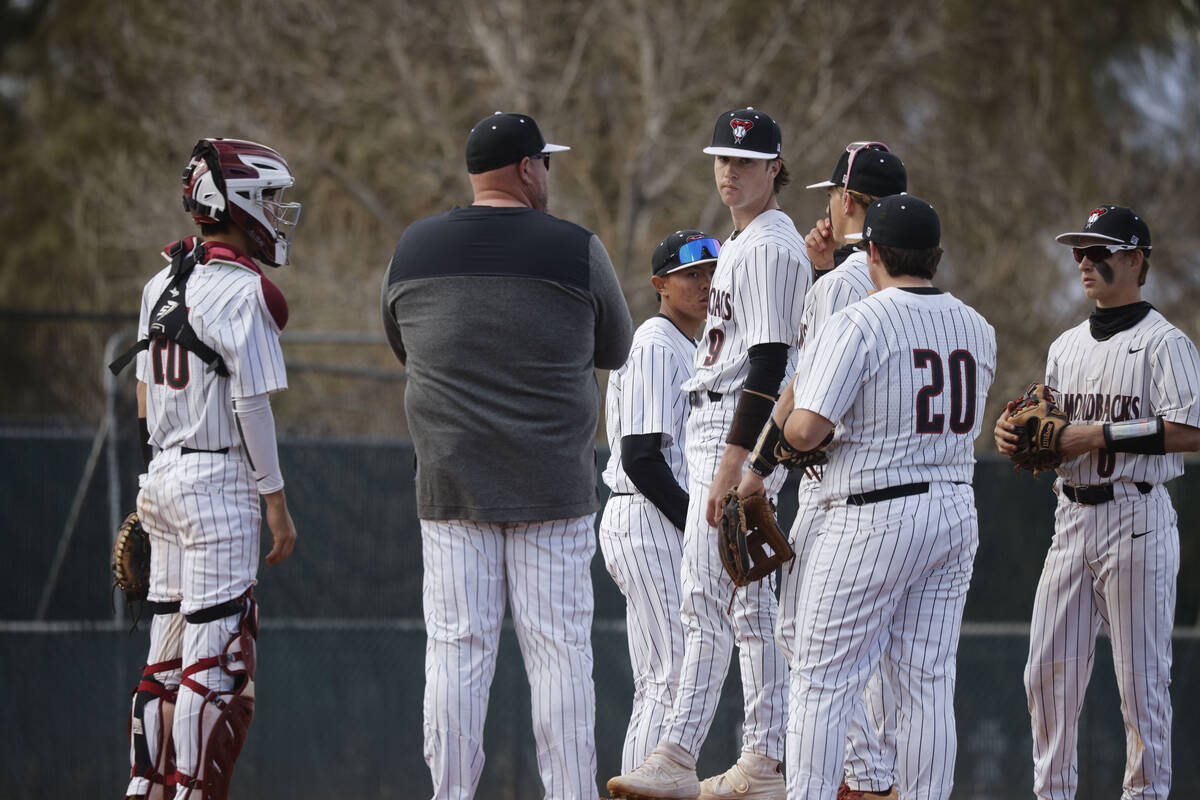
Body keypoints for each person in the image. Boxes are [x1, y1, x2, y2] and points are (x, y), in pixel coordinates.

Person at [380, 111, 633, 800]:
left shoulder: (414, 249)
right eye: (544, 162)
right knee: (559, 657)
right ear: (527, 169)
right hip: (552, 487)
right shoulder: (576, 248)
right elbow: (617, 349)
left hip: (452, 487)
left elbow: (402, 340)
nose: (547, 174)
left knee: (458, 654)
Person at [609, 107, 809, 800]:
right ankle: (756, 757)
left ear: (775, 167)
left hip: (729, 428)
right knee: (738, 607)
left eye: (746, 161)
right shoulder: (749, 241)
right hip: (716, 426)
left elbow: (770, 365)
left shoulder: (771, 245)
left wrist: (734, 468)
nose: (730, 171)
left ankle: (687, 753)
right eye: (723, 158)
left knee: (708, 601)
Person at [782, 195, 996, 800]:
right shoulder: (977, 326)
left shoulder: (861, 320)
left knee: (821, 682)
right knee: (926, 682)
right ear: (936, 256)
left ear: (872, 251)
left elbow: (805, 430)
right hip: (953, 508)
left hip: (873, 513)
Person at [110, 137, 301, 799]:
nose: (277, 212)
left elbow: (142, 392)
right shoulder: (244, 292)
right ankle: (192, 792)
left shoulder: (158, 281)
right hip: (217, 483)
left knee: (162, 665)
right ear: (237, 202)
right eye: (269, 198)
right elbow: (249, 404)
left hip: (162, 477)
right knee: (217, 666)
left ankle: (146, 787)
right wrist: (273, 500)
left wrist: (152, 487)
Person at [994, 205, 1200, 800]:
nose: (1085, 261)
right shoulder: (1065, 345)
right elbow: (1051, 429)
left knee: (1140, 683)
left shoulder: (1166, 343)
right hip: (1072, 518)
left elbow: (1191, 429)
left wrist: (1099, 435)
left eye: (1100, 251)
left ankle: (1145, 794)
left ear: (1136, 259)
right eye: (1080, 252)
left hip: (1137, 515)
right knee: (1046, 675)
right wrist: (1015, 433)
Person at [738, 143, 908, 800]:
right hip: (915, 496)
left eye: (834, 197)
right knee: (889, 664)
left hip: (838, 494)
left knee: (801, 640)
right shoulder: (914, 289)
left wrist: (758, 471)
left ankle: (869, 781)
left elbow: (807, 397)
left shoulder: (839, 286)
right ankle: (875, 778)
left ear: (846, 201)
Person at [600, 229, 718, 773]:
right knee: (669, 672)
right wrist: (700, 521)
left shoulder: (694, 347)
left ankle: (650, 782)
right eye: (691, 273)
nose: (705, 282)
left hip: (660, 516)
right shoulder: (653, 341)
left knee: (669, 671)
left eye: (712, 271)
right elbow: (641, 456)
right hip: (645, 515)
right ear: (660, 284)